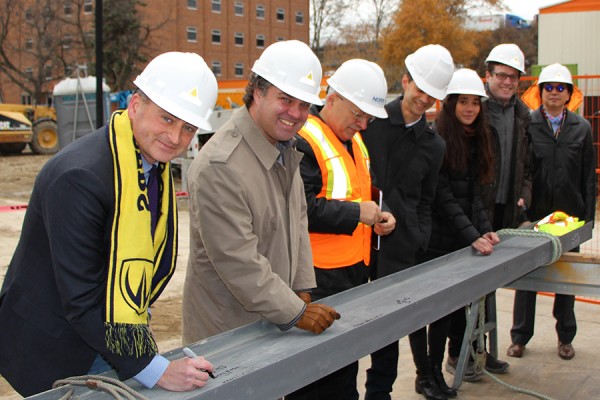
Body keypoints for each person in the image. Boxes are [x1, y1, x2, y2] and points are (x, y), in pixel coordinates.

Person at [0, 52, 219, 397]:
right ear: (134, 106)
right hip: (55, 343)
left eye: (187, 127)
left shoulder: (148, 165)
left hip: (105, 328)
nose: (175, 137)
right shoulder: (81, 178)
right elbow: (82, 297)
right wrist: (156, 370)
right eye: (166, 118)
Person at [182, 40, 340, 345]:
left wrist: (303, 288)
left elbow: (298, 224)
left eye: (304, 104)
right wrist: (297, 311)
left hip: (274, 320)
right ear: (257, 91)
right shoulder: (221, 165)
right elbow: (237, 260)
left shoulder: (285, 149)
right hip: (227, 334)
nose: (295, 113)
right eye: (285, 99)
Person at [286, 59, 396, 400]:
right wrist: (356, 214)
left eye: (368, 118)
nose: (362, 124)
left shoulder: (354, 141)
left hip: (351, 275)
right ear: (332, 98)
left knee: (344, 368)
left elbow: (364, 191)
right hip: (316, 281)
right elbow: (300, 209)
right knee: (315, 379)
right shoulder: (305, 140)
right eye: (358, 115)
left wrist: (381, 213)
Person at [361, 44, 454, 400]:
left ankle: (378, 394)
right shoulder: (372, 123)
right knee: (354, 327)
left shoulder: (434, 146)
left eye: (432, 95)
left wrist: (419, 238)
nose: (424, 99)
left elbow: (426, 201)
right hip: (360, 244)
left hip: (402, 252)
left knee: (389, 332)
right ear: (405, 81)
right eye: (419, 89)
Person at [445, 43, 532, 380]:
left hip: (503, 210)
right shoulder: (475, 109)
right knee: (464, 288)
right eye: (501, 75)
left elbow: (527, 165)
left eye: (513, 77)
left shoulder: (523, 115)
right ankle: (458, 354)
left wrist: (523, 197)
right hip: (473, 210)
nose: (507, 82)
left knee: (488, 287)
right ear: (488, 75)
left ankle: (480, 351)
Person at [413, 68, 500, 400]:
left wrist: (485, 230)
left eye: (475, 103)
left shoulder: (477, 138)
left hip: (457, 239)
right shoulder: (437, 139)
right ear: (449, 104)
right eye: (463, 102)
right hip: (433, 240)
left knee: (448, 312)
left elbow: (475, 194)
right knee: (427, 311)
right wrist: (471, 235)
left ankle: (435, 371)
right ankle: (424, 374)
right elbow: (443, 197)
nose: (470, 109)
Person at [506, 63, 596, 361]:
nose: (554, 93)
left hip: (569, 218)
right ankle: (520, 336)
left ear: (569, 94)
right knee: (528, 275)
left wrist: (588, 218)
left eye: (560, 88)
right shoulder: (527, 125)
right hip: (535, 216)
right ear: (540, 91)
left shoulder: (582, 129)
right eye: (549, 87)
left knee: (565, 279)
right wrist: (521, 213)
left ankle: (565, 337)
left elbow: (588, 177)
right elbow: (520, 170)